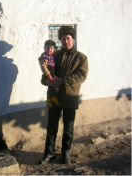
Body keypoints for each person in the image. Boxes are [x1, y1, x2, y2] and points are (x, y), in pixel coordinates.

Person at [40, 26, 88, 164]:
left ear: (73, 39)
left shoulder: (81, 58)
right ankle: (49, 153)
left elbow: (81, 76)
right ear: (60, 40)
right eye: (62, 38)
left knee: (68, 127)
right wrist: (48, 82)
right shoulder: (53, 56)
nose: (65, 41)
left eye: (68, 38)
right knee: (51, 125)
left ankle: (66, 153)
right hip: (53, 96)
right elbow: (44, 76)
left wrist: (63, 81)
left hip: (70, 97)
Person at [38, 40, 60, 107]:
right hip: (48, 73)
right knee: (51, 88)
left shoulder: (54, 55)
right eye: (47, 47)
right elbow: (43, 67)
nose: (49, 49)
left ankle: (54, 99)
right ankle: (49, 101)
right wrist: (49, 75)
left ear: (54, 49)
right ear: (44, 48)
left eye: (51, 48)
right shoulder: (43, 57)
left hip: (54, 73)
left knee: (55, 88)